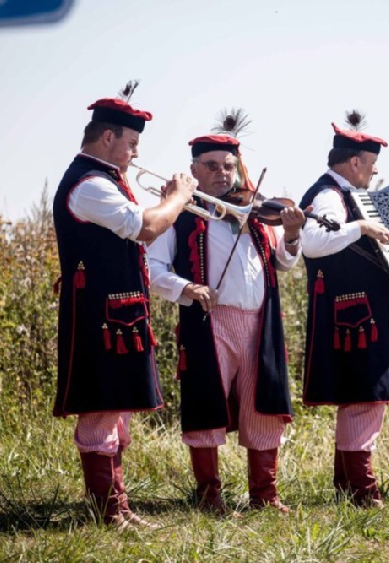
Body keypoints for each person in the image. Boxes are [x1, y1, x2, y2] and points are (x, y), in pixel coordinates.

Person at [52, 95, 196, 528]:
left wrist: (166, 205)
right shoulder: (90, 184)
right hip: (99, 315)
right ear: (108, 135)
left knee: (116, 412)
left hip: (120, 314)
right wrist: (179, 197)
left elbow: (139, 239)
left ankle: (119, 508)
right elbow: (147, 226)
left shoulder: (108, 181)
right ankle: (108, 512)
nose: (137, 152)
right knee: (100, 411)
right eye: (132, 142)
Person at [148, 134, 306, 515]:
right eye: (212, 166)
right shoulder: (179, 213)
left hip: (260, 323)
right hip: (211, 321)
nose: (222, 174)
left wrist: (293, 233)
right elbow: (152, 269)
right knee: (206, 404)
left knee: (263, 407)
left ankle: (265, 496)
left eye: (229, 166)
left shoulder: (252, 214)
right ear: (194, 171)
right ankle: (209, 497)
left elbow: (284, 262)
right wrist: (187, 286)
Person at [298, 119, 389, 508]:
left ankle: (346, 484)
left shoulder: (347, 194)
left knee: (364, 397)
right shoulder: (329, 195)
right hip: (353, 315)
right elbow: (313, 243)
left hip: (365, 311)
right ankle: (363, 490)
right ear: (353, 162)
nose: (375, 170)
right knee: (365, 397)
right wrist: (362, 226)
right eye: (370, 163)